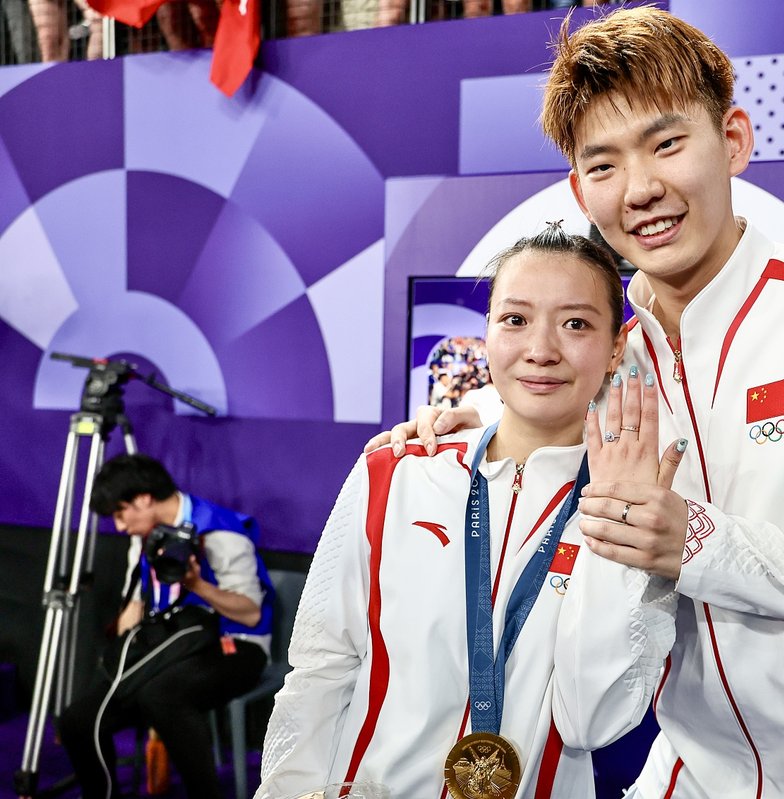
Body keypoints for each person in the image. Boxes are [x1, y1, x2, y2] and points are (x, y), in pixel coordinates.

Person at [369, 8, 784, 797]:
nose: (641, 189)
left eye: (667, 144)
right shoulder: (615, 368)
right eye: (603, 165)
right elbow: (598, 698)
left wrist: (698, 543)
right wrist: (487, 432)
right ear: (578, 188)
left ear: (732, 139)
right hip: (692, 776)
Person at [256, 225, 681, 798]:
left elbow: (594, 720)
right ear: (485, 336)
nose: (541, 349)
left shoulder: (634, 509)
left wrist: (616, 528)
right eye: (515, 319)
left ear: (614, 350)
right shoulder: (394, 473)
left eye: (576, 323)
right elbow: (320, 667)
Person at [57, 453, 272, 799]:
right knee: (77, 720)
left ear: (143, 499)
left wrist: (197, 585)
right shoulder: (146, 536)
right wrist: (119, 657)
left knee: (160, 695)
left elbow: (250, 614)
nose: (121, 526)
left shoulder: (219, 530)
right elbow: (138, 604)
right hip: (169, 641)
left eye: (119, 514)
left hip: (235, 644)